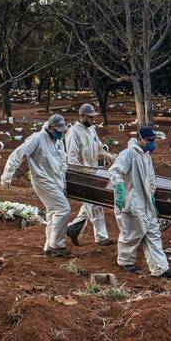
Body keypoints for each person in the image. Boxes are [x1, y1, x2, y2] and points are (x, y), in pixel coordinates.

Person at [111, 127, 171, 278]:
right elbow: (115, 171)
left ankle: (160, 268)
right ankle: (125, 261)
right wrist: (120, 188)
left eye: (153, 140)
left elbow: (150, 178)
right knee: (132, 233)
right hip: (132, 201)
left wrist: (153, 197)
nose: (152, 143)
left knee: (153, 232)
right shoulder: (128, 154)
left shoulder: (146, 156)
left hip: (146, 202)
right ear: (140, 139)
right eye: (149, 140)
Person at [0, 114, 72, 257]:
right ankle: (57, 245)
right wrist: (7, 176)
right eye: (58, 130)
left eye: (62, 130)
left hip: (55, 180)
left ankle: (49, 247)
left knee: (53, 212)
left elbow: (62, 160)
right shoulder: (37, 138)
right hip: (42, 180)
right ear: (50, 128)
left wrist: (63, 182)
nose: (61, 133)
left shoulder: (58, 141)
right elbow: (17, 154)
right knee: (64, 209)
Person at [65, 103, 115, 246]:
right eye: (90, 117)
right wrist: (78, 177)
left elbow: (99, 150)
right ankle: (101, 237)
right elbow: (72, 157)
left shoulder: (92, 130)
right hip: (82, 175)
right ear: (82, 116)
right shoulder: (73, 132)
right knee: (95, 205)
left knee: (89, 206)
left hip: (93, 173)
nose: (93, 119)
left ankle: (73, 229)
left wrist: (112, 158)